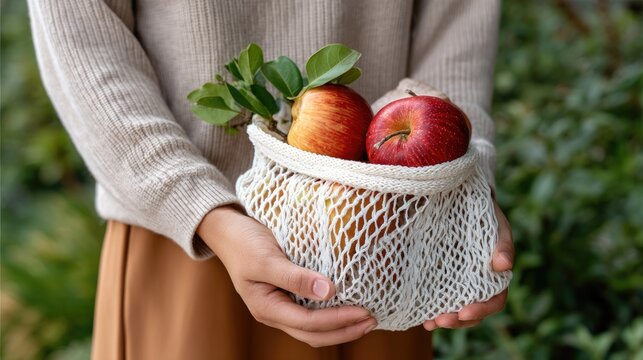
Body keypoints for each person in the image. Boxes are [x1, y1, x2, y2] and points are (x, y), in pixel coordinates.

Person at [27, 0, 514, 359]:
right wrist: (207, 215)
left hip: (383, 239)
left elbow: (457, 36)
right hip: (193, 249)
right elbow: (85, 47)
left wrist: (463, 186)